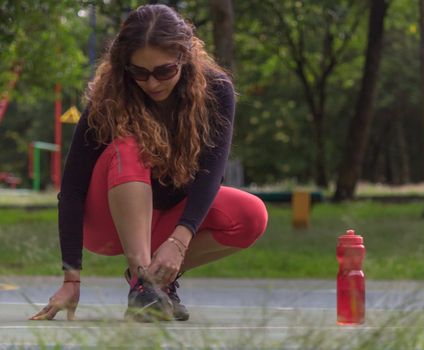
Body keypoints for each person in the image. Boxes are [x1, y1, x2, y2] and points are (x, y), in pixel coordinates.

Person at [30, 4, 268, 322]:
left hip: (168, 218)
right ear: (124, 66)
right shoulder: (109, 99)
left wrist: (179, 242)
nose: (152, 83)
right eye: (139, 73)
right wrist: (71, 279)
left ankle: (153, 283)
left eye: (164, 71)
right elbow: (71, 191)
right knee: (128, 144)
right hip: (107, 222)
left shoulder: (216, 91)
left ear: (185, 57)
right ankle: (144, 285)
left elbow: (211, 173)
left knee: (251, 216)